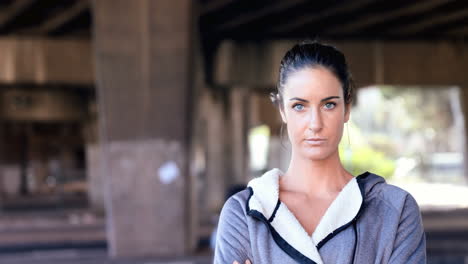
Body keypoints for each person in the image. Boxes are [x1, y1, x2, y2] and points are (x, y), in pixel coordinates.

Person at [213, 41, 426, 264]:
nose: (315, 123)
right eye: (299, 106)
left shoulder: (395, 210)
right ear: (282, 110)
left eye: (329, 105)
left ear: (347, 108)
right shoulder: (244, 214)